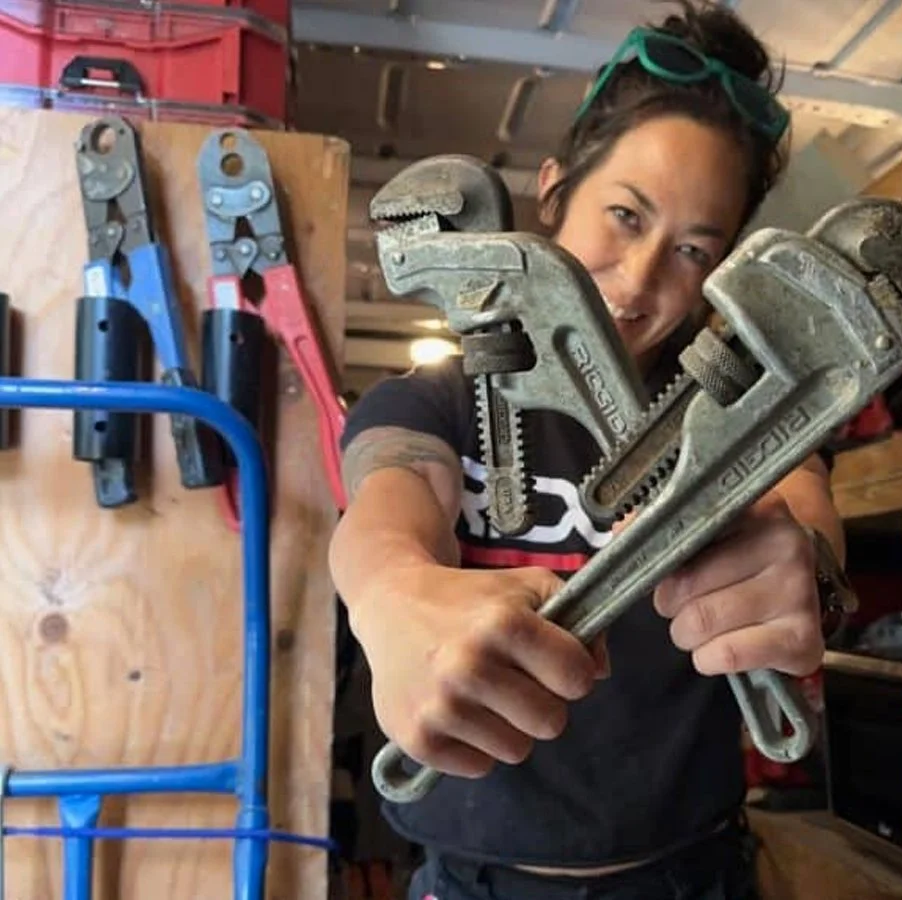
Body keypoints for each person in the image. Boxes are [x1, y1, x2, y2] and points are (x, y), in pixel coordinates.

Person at [329, 2, 845, 897]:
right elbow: (384, 512)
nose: (642, 278)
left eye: (692, 248)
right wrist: (392, 596)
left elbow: (801, 507)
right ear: (556, 189)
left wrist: (810, 574)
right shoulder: (434, 402)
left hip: (696, 877)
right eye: (625, 215)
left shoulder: (744, 427)